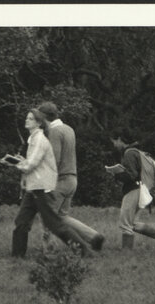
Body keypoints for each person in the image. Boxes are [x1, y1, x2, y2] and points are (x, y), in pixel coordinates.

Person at [2, 109, 91, 258]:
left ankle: (83, 250)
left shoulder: (39, 140)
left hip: (43, 187)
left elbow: (32, 164)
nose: (26, 120)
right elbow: (33, 163)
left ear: (38, 123)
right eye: (27, 118)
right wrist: (20, 162)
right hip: (34, 187)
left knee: (54, 223)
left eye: (30, 119)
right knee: (21, 222)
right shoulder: (33, 139)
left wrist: (14, 163)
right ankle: (17, 257)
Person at [37, 101, 105, 252]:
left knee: (47, 217)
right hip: (72, 178)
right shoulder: (68, 129)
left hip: (59, 181)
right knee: (62, 217)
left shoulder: (54, 132)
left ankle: (49, 249)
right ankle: (93, 237)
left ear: (44, 117)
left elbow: (54, 159)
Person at [108, 127, 155, 250]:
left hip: (133, 190)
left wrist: (116, 174)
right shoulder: (135, 151)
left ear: (120, 140)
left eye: (114, 141)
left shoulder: (129, 153)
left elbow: (131, 175)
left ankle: (126, 252)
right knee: (132, 223)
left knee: (125, 223)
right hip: (140, 189)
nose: (114, 145)